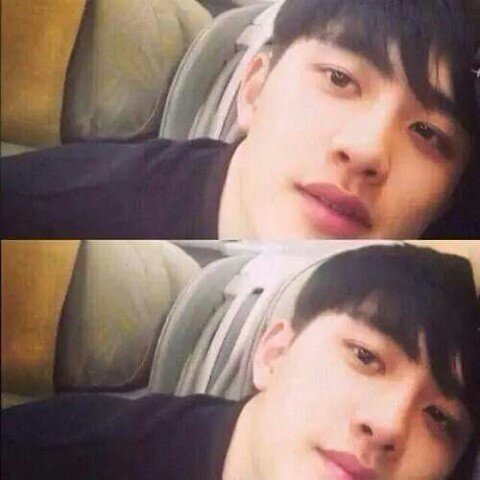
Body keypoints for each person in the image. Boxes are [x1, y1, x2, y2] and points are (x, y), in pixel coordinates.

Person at [1, 0, 478, 239]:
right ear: (253, 90)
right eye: (339, 78)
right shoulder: (46, 208)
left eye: (428, 133)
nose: (368, 149)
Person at [2, 244, 480, 480]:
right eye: (365, 356)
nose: (390, 426)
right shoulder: (65, 452)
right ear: (274, 354)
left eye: (441, 418)